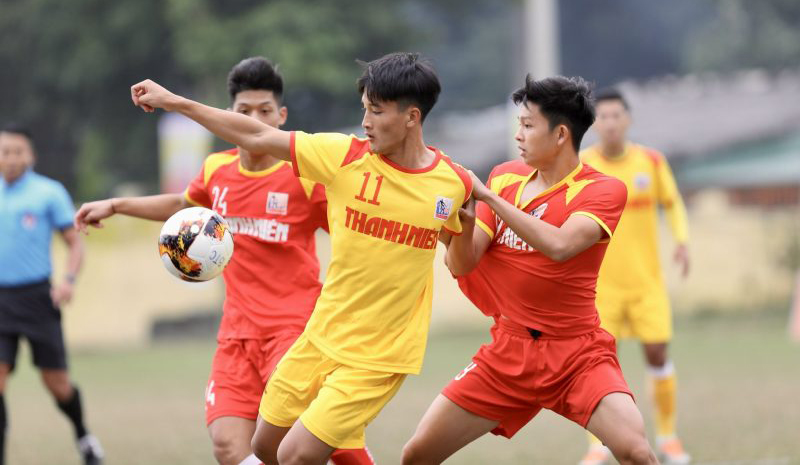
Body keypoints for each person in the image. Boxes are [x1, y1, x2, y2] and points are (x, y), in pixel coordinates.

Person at [128, 51, 471, 465]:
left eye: (376, 112)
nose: (365, 122)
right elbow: (252, 138)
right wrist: (176, 102)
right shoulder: (343, 157)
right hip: (319, 337)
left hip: (377, 354)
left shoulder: (452, 183)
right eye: (364, 109)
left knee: (297, 452)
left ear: (412, 117)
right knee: (263, 446)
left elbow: (463, 261)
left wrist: (472, 220)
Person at [75, 57, 375, 465]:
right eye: (243, 111)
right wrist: (116, 204)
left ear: (281, 116)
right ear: (228, 115)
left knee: (311, 443)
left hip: (294, 332)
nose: (254, 119)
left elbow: (351, 231)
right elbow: (183, 205)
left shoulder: (303, 176)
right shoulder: (217, 170)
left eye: (264, 111)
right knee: (229, 445)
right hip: (236, 335)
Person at [400, 75, 660, 465]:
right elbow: (462, 262)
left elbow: (560, 245)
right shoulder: (505, 176)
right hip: (507, 352)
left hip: (577, 355)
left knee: (637, 452)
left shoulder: (603, 189)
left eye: (527, 125)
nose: (518, 135)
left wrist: (486, 196)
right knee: (416, 454)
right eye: (517, 124)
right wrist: (457, 219)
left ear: (560, 135)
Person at [579, 88, 690, 465]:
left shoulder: (651, 162)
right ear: (594, 123)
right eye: (603, 117)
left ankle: (669, 438)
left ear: (627, 120)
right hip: (599, 289)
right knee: (598, 365)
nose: (610, 123)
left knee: (658, 354)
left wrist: (682, 241)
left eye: (616, 116)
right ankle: (598, 446)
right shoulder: (582, 165)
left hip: (646, 285)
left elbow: (673, 204)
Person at [0, 124, 104, 465]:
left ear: (30, 155)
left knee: (57, 384)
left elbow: (74, 244)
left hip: (37, 298)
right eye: (5, 151)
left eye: (18, 151)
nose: (11, 158)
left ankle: (84, 436)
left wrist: (68, 280)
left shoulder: (48, 193)